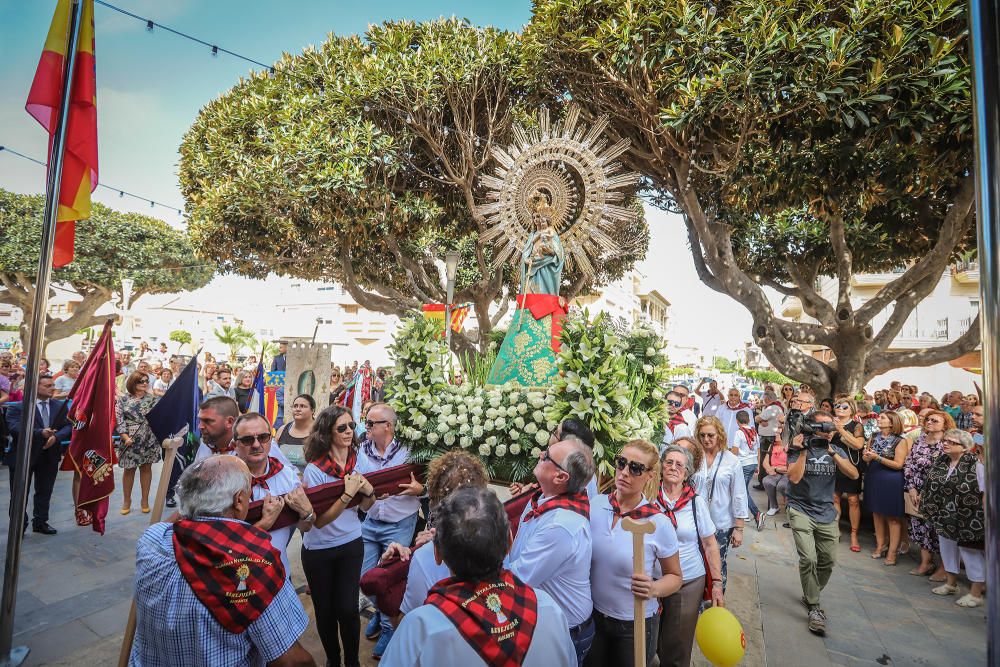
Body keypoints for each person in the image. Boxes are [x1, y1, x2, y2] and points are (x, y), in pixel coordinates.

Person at [130, 456, 315, 667]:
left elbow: (202, 540)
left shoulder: (152, 539)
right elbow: (292, 661)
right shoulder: (256, 566)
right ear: (238, 500)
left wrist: (261, 524)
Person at [381, 487, 576, 667]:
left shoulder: (420, 628)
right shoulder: (549, 608)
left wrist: (385, 583)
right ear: (510, 541)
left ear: (437, 554)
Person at [586, 440, 681, 666]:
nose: (625, 472)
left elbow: (675, 577)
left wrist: (654, 588)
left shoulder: (658, 523)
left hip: (634, 624)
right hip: (594, 617)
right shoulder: (596, 505)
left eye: (636, 468)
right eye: (621, 463)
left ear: (649, 475)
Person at [507, 438, 596, 666]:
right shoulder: (544, 497)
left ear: (560, 477)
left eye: (546, 456)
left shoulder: (561, 526)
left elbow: (518, 579)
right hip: (549, 618)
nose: (540, 455)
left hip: (566, 630)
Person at [301, 405, 376, 667]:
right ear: (327, 432)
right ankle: (333, 660)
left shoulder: (358, 459)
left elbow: (366, 507)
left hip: (351, 543)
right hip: (318, 550)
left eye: (351, 426)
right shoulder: (315, 469)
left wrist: (368, 492)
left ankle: (352, 662)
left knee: (347, 608)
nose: (348, 432)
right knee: (325, 611)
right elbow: (319, 522)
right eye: (341, 428)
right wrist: (347, 495)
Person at [380, 450, 491, 619]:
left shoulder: (425, 556)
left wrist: (387, 574)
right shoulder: (496, 539)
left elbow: (407, 623)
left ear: (434, 497)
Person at [357, 402, 424, 660]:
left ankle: (387, 627)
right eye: (367, 422)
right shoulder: (361, 450)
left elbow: (427, 483)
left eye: (372, 423)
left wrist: (421, 490)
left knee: (386, 578)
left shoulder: (411, 452)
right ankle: (381, 612)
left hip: (400, 523)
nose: (367, 427)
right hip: (371, 520)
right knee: (365, 578)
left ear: (389, 426)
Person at [785, 409, 859, 636]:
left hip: (826, 512)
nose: (827, 432)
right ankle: (815, 607)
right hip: (800, 509)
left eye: (830, 428)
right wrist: (804, 451)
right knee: (808, 558)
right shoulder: (797, 447)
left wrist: (831, 452)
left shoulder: (835, 449)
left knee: (828, 560)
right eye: (823, 427)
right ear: (811, 427)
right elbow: (794, 478)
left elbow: (854, 475)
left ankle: (810, 593)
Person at [656, 444, 723, 667]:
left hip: (687, 581)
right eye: (669, 462)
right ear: (661, 467)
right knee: (648, 638)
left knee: (677, 644)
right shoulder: (648, 499)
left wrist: (717, 584)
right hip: (652, 579)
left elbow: (710, 544)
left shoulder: (696, 503)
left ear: (686, 473)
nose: (673, 467)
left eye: (679, 465)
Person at [233, 411, 315, 577]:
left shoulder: (286, 475)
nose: (256, 445)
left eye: (263, 437)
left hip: (280, 573)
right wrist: (266, 523)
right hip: (237, 577)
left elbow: (305, 526)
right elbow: (222, 542)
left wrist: (308, 513)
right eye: (248, 440)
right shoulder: (221, 479)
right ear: (235, 444)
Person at [920, 429, 986, 606]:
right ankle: (950, 584)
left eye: (952, 442)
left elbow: (986, 493)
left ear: (965, 448)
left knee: (971, 554)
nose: (946, 443)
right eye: (945, 440)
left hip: (970, 519)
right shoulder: (942, 461)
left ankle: (975, 594)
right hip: (944, 516)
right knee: (947, 550)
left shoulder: (976, 465)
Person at [4, 374, 72, 535]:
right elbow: (15, 428)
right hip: (23, 456)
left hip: (49, 455)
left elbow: (68, 426)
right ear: (35, 387)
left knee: (45, 490)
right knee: (19, 493)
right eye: (47, 385)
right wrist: (40, 433)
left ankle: (41, 522)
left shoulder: (59, 406)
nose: (52, 388)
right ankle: (19, 524)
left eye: (53, 385)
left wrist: (56, 437)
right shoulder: (19, 407)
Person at [692, 416, 747, 593]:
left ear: (720, 435)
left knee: (717, 562)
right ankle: (697, 602)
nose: (706, 439)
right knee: (696, 561)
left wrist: (739, 528)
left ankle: (717, 601)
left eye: (710, 435)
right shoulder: (694, 457)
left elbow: (739, 494)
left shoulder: (731, 460)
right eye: (702, 435)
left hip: (721, 523)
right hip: (694, 520)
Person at [904, 409, 954, 579]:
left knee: (937, 529)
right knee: (919, 526)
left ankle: (944, 567)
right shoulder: (919, 441)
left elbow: (949, 471)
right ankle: (925, 563)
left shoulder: (948, 444)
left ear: (945, 426)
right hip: (915, 492)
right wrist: (911, 487)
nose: (929, 422)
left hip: (938, 494)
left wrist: (926, 492)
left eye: (935, 421)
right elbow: (909, 464)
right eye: (928, 420)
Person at [862, 412, 910, 565]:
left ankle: (892, 552)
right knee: (876, 512)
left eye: (882, 418)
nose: (878, 419)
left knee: (892, 516)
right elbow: (866, 457)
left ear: (892, 422)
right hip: (874, 475)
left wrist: (878, 458)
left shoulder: (900, 441)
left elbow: (898, 464)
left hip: (891, 479)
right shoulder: (874, 436)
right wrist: (867, 456)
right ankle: (880, 545)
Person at [114, 371, 161, 515]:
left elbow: (160, 418)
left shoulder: (154, 399)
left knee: (146, 469)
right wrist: (124, 436)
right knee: (129, 470)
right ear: (133, 383)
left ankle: (145, 500)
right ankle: (127, 501)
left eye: (147, 380)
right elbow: (119, 420)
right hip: (129, 439)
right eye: (141, 381)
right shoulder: (123, 400)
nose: (145, 383)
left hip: (149, 438)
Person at [830, 398, 865, 552]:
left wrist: (841, 429)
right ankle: (835, 529)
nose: (840, 408)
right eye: (837, 406)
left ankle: (854, 535)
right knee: (834, 497)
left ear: (852, 410)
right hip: (833, 463)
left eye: (845, 407)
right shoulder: (831, 422)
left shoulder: (856, 426)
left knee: (853, 500)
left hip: (851, 465)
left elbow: (858, 445)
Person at [730, 410, 763, 530]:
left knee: (741, 492)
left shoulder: (739, 433)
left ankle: (756, 513)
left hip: (743, 464)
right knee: (743, 491)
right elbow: (758, 450)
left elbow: (734, 451)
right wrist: (758, 465)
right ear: (749, 420)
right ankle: (745, 514)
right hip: (753, 462)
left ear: (737, 421)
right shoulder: (755, 432)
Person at [275, 393, 316, 469]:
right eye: (295, 406)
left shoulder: (320, 431)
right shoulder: (282, 430)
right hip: (285, 479)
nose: (298, 409)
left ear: (312, 410)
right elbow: (274, 457)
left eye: (302, 406)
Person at [754, 390, 784, 488]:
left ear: (767, 398)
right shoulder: (773, 407)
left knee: (765, 460)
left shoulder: (772, 408)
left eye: (764, 398)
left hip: (768, 438)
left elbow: (757, 418)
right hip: (769, 436)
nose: (763, 400)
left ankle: (763, 483)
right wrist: (762, 421)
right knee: (767, 459)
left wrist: (760, 420)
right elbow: (761, 419)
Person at [761, 433, 789, 516]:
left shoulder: (789, 445)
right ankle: (774, 506)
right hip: (775, 471)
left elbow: (791, 465)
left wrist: (777, 468)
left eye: (778, 434)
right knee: (767, 481)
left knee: (782, 485)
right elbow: (765, 462)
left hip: (786, 472)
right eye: (774, 434)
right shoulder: (772, 446)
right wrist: (769, 469)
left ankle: (789, 505)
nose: (775, 436)